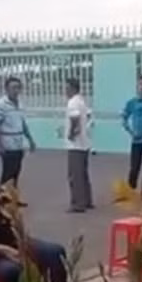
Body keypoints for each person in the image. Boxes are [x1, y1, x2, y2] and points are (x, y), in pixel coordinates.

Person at [0, 77, 36, 188]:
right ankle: (4, 196)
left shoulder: (20, 104)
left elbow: (23, 123)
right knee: (8, 174)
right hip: (8, 145)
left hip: (18, 144)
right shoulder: (1, 105)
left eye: (18, 88)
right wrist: (0, 145)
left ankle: (13, 195)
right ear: (6, 89)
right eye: (13, 88)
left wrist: (30, 139)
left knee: (16, 172)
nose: (16, 90)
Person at [65, 78, 93, 213]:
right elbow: (88, 115)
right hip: (84, 143)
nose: (65, 91)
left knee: (75, 175)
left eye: (67, 88)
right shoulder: (81, 101)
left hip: (75, 144)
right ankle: (87, 200)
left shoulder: (73, 102)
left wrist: (72, 133)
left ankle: (78, 203)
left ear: (72, 88)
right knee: (83, 173)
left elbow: (74, 119)